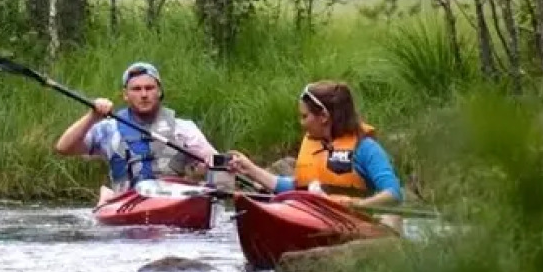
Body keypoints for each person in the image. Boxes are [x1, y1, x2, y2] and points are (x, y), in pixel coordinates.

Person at [53, 61, 221, 202]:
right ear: (126, 95)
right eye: (136, 89)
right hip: (126, 203)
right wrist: (92, 116)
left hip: (171, 201)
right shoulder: (109, 128)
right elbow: (63, 147)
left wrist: (210, 173)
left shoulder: (183, 128)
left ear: (159, 92)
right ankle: (108, 196)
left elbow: (218, 165)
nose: (144, 94)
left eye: (149, 88)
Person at [224, 81, 402, 210]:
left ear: (324, 117)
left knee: (391, 219)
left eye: (304, 116)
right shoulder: (315, 145)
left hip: (353, 218)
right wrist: (250, 169)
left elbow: (393, 194)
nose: (301, 123)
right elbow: (294, 187)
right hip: (315, 214)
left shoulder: (365, 148)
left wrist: (359, 205)